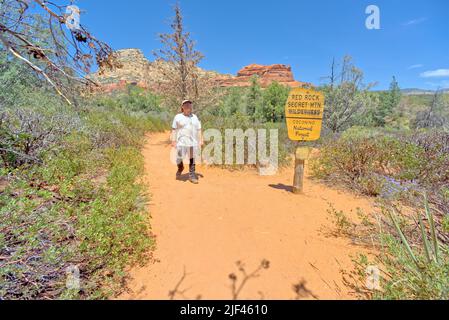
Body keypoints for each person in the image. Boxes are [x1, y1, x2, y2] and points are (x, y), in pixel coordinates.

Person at [170, 100, 204, 184]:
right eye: (186, 105)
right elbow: (174, 129)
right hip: (181, 142)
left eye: (189, 105)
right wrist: (173, 140)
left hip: (192, 142)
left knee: (192, 158)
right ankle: (180, 168)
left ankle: (192, 175)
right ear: (182, 107)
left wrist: (201, 139)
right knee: (178, 159)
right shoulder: (178, 117)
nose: (188, 106)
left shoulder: (195, 117)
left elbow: (199, 129)